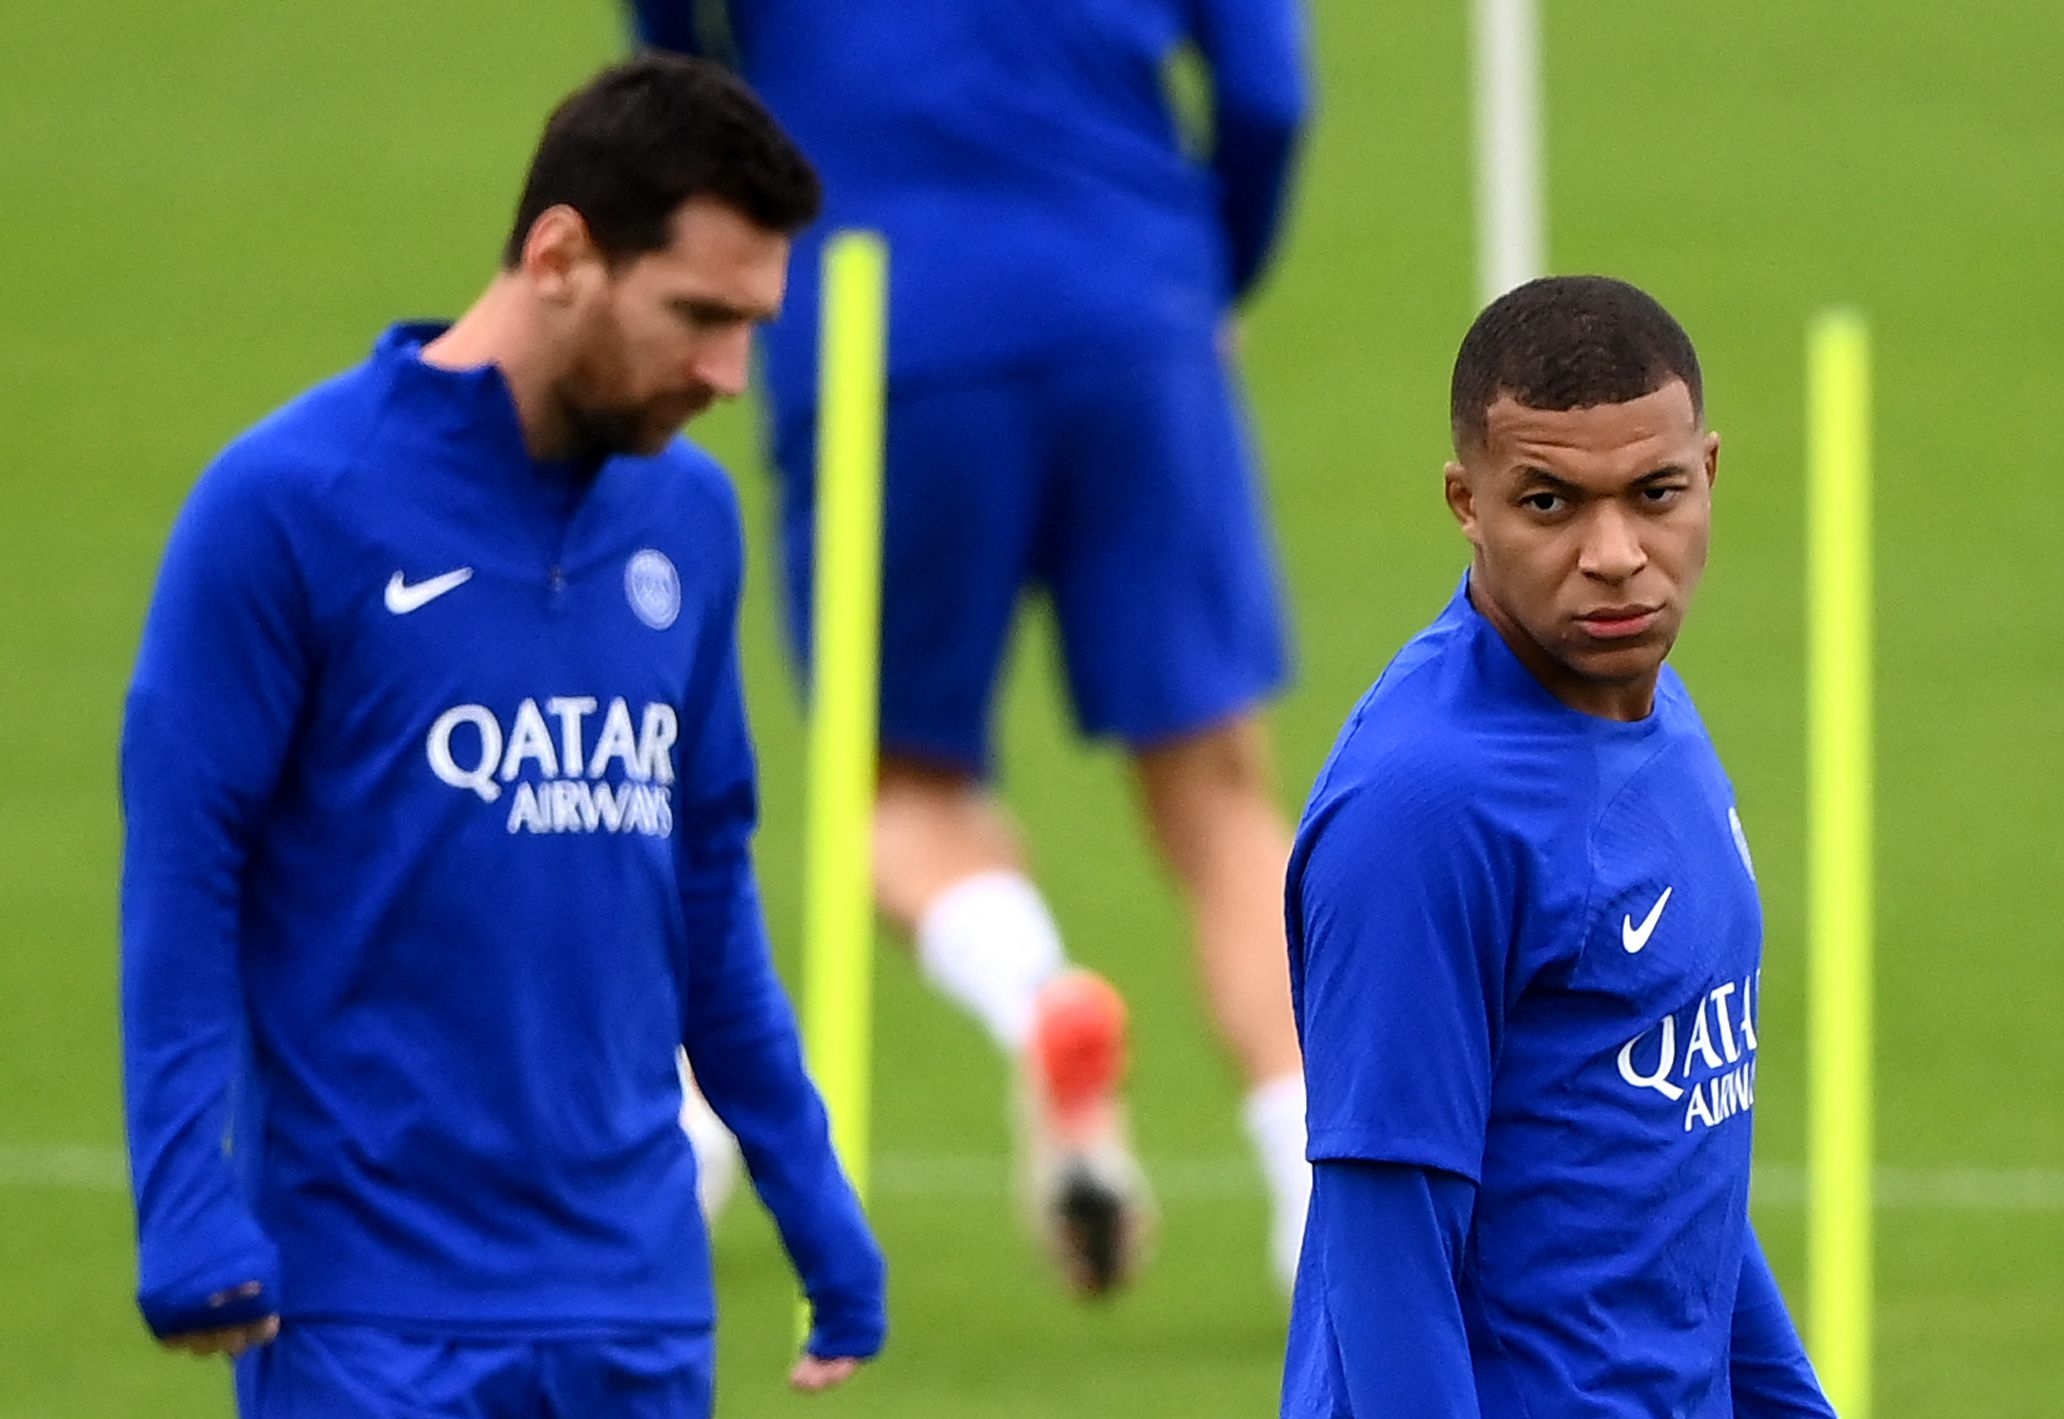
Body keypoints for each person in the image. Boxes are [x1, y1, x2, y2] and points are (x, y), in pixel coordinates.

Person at [119, 55, 885, 1417]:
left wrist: (810, 1193)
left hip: (636, 1310)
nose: (728, 372)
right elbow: (186, 868)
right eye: (698, 315)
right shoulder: (287, 507)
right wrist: (186, 1203)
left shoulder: (687, 525)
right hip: (373, 1313)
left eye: (755, 324)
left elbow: (704, 886)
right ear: (560, 255)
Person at [628, 0, 1315, 1296]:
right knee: (1219, 795)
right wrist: (1211, 272)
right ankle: (1317, 1186)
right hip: (1138, 305)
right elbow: (1269, 93)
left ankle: (1037, 993)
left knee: (899, 789)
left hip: (889, 317)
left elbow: (669, 75)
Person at [1281, 275, 1835, 1417]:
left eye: (1656, 493)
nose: (1617, 553)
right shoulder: (1426, 810)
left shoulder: (1651, 709)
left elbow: (1683, 1176)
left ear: (1710, 474)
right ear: (1466, 502)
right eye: (1550, 504)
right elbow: (1387, 1256)